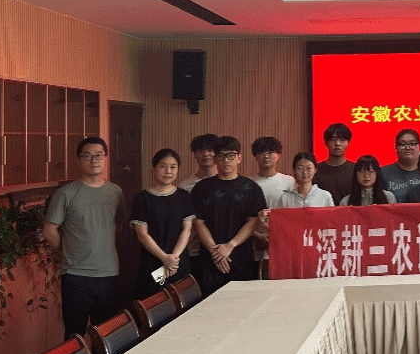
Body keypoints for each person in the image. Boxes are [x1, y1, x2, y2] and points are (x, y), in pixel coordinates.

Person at [42, 136, 126, 340]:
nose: (93, 160)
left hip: (108, 273)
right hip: (76, 275)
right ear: (79, 160)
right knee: (74, 335)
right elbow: (50, 230)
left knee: (106, 335)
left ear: (105, 158)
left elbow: (118, 224)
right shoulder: (65, 194)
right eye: (87, 156)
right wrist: (66, 250)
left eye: (98, 155)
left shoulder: (115, 192)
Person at [190, 136, 267, 295]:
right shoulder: (201, 188)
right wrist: (216, 253)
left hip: (242, 259)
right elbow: (198, 222)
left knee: (242, 303)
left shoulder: (251, 188)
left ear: (239, 158)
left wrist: (230, 246)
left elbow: (253, 221)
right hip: (209, 260)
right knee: (208, 304)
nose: (226, 160)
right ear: (215, 159)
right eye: (221, 156)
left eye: (231, 155)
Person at [129, 148, 196, 300]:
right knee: (154, 304)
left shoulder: (183, 196)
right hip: (152, 261)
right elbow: (142, 234)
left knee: (182, 302)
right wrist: (164, 258)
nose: (168, 171)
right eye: (163, 166)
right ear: (153, 168)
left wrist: (173, 258)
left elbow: (187, 230)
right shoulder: (142, 198)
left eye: (173, 167)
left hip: (178, 262)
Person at [248, 136, 294, 279]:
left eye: (270, 152)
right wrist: (258, 236)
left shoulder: (289, 182)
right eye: (261, 152)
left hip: (283, 244)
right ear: (255, 156)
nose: (266, 156)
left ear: (278, 155)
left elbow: (293, 214)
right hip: (255, 244)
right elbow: (242, 217)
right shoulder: (248, 184)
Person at [313, 122, 356, 206]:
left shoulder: (356, 170)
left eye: (342, 139)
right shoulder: (315, 171)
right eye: (333, 139)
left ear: (348, 143)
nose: (337, 143)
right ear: (326, 143)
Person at [380, 127, 420, 200]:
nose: (408, 148)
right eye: (403, 144)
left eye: (412, 144)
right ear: (396, 148)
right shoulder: (383, 173)